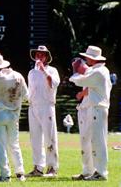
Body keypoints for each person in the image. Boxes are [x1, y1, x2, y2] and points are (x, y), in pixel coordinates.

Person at [0, 52, 28, 182]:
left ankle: (5, 174)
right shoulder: (18, 76)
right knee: (14, 144)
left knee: (0, 146)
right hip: (13, 115)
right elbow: (26, 96)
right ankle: (20, 173)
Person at [70, 45, 112, 181]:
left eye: (87, 57)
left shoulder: (99, 72)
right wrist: (82, 71)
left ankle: (101, 172)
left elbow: (80, 80)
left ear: (93, 59)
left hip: (97, 108)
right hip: (93, 108)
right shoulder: (97, 70)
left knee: (98, 141)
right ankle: (88, 171)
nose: (86, 59)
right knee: (87, 141)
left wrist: (76, 72)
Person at [26, 45, 60, 178]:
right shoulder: (31, 73)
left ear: (47, 57)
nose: (39, 57)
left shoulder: (53, 70)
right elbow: (30, 91)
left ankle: (52, 168)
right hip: (33, 106)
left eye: (42, 55)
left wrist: (44, 70)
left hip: (47, 106)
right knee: (35, 138)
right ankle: (38, 167)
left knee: (50, 137)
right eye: (37, 55)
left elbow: (54, 83)